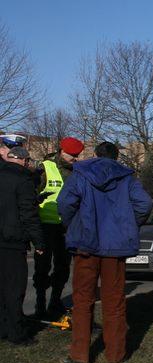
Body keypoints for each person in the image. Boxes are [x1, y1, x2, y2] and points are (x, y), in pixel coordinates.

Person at [57, 141, 152, 363]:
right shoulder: (126, 177)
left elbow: (64, 203)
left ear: (96, 154)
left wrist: (74, 225)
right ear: (116, 157)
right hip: (115, 248)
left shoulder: (81, 173)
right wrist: (128, 225)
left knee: (82, 300)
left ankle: (79, 354)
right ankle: (116, 354)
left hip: (86, 247)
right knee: (114, 300)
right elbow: (144, 204)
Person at [34, 136, 84, 318]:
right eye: (72, 155)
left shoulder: (77, 171)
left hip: (66, 227)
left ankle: (55, 302)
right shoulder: (45, 167)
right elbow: (33, 194)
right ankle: (40, 305)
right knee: (42, 267)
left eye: (77, 155)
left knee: (62, 267)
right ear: (62, 152)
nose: (75, 158)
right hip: (45, 225)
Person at [0, 147, 45, 346]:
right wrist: (39, 242)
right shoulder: (23, 180)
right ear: (24, 161)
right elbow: (28, 214)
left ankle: (3, 327)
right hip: (13, 241)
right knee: (14, 289)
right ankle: (16, 332)